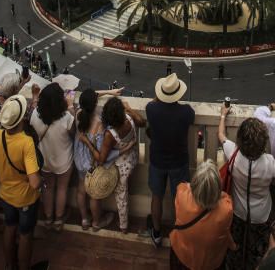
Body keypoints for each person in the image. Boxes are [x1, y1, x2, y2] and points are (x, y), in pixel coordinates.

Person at [0, 95, 46, 270]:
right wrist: (42, 179)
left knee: (9, 226)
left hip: (5, 194)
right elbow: (34, 183)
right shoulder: (26, 142)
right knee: (25, 234)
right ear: (22, 119)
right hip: (25, 198)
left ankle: (9, 265)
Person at [219, 108, 275, 269]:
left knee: (235, 248)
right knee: (258, 252)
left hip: (238, 211)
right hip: (261, 214)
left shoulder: (233, 154)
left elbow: (221, 136)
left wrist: (223, 115)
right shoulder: (270, 162)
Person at [80, 96, 145, 233]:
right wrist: (129, 109)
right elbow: (142, 121)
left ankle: (124, 226)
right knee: (126, 188)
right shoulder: (129, 118)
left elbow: (101, 159)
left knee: (121, 196)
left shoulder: (111, 134)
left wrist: (87, 143)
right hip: (132, 157)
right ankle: (124, 225)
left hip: (121, 166)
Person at [146, 73, 195, 247]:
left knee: (156, 196)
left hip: (157, 161)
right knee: (180, 200)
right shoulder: (186, 112)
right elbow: (190, 115)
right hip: (179, 162)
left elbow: (153, 102)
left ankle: (157, 232)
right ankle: (179, 233)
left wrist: (160, 96)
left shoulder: (151, 109)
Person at [170, 159, 235, 270]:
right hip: (210, 262)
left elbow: (185, 186)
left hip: (182, 256)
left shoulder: (182, 195)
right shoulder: (226, 209)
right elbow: (225, 197)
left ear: (195, 183)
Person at [74, 86, 124, 231]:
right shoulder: (99, 123)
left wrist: (109, 92)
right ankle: (97, 222)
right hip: (91, 161)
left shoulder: (78, 113)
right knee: (94, 194)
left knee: (81, 190)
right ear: (95, 104)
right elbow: (103, 151)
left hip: (79, 159)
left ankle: (84, 219)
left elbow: (92, 95)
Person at [30, 83, 75, 231]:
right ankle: (58, 219)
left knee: (48, 188)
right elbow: (73, 133)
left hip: (45, 160)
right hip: (63, 160)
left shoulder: (35, 114)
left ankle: (48, 218)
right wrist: (71, 107)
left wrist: (34, 97)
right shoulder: (66, 118)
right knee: (62, 188)